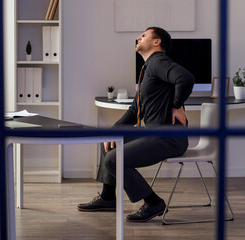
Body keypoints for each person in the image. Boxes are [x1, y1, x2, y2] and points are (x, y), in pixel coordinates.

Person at [78, 27, 195, 222]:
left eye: (144, 35)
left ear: (157, 42)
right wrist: (111, 132)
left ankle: (153, 202)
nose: (138, 38)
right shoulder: (148, 69)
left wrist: (176, 106)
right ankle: (108, 198)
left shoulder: (158, 61)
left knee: (114, 159)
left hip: (168, 137)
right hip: (153, 133)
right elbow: (134, 112)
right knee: (110, 141)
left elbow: (186, 78)